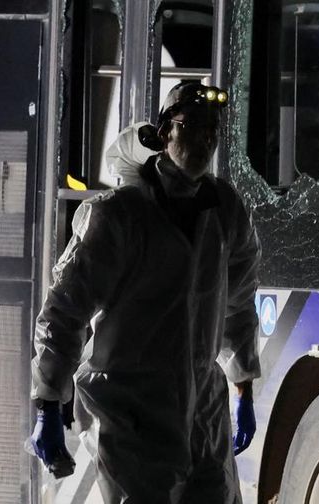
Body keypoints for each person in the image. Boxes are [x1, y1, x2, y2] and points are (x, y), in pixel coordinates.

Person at [30, 81, 261, 503]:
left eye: (211, 128)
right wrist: (48, 402)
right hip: (129, 414)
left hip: (202, 413)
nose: (204, 138)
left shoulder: (225, 212)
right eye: (190, 125)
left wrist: (242, 385)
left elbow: (238, 305)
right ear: (162, 134)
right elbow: (65, 311)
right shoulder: (118, 217)